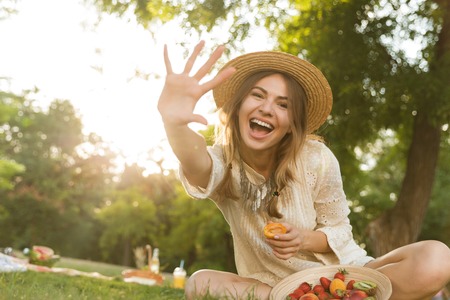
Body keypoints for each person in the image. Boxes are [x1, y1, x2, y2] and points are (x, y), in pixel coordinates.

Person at [157, 40, 450, 300]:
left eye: (282, 104)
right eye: (258, 96)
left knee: (438, 258)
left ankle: (360, 296)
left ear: (291, 124)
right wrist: (174, 124)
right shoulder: (224, 164)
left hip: (346, 276)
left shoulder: (316, 158)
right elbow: (195, 163)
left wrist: (304, 239)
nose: (267, 108)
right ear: (238, 106)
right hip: (275, 290)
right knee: (199, 283)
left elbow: (338, 229)